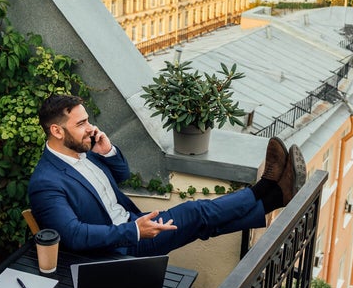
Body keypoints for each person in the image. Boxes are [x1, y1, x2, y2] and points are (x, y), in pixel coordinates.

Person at [28, 94, 307, 256]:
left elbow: (121, 175)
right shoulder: (46, 183)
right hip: (122, 248)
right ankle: (268, 189)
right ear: (56, 131)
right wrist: (134, 230)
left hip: (133, 225)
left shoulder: (83, 150)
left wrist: (107, 149)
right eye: (81, 123)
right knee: (196, 213)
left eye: (88, 120)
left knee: (202, 223)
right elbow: (74, 236)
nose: (91, 127)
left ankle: (274, 196)